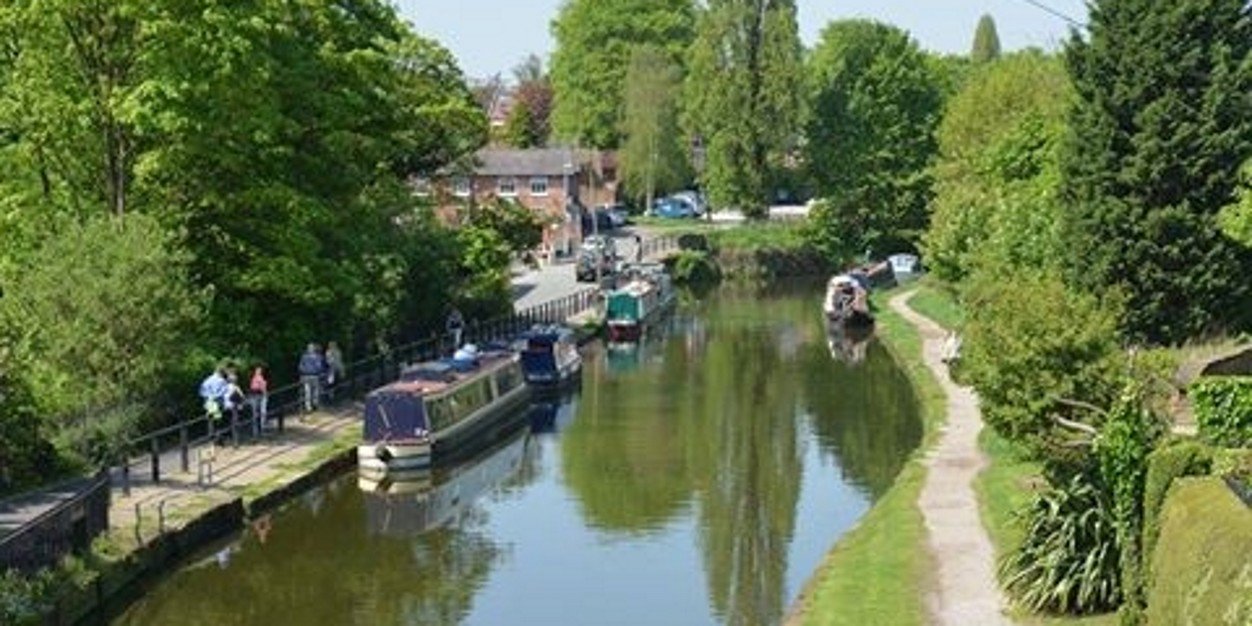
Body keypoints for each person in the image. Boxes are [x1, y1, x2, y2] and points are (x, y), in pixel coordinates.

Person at [298, 343, 324, 413]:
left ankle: (310, 406)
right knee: (311, 391)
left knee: (310, 391)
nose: (310, 349)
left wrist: (304, 371)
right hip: (312, 376)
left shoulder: (304, 357)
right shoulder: (316, 357)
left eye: (311, 348)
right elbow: (319, 367)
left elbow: (300, 367)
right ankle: (312, 405)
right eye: (310, 348)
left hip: (308, 376)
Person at [248, 365, 269, 433]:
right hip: (258, 395)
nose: (259, 371)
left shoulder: (257, 378)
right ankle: (260, 428)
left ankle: (259, 428)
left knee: (259, 412)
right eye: (258, 370)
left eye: (260, 370)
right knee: (261, 412)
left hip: (257, 395)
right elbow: (261, 388)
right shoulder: (256, 378)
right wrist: (265, 394)